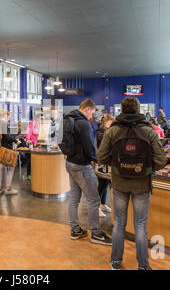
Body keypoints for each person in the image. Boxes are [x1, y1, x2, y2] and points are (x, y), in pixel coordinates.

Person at [97, 97, 167, 270]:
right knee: (140, 225)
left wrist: (115, 164)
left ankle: (115, 261)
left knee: (119, 223)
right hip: (142, 183)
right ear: (138, 110)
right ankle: (143, 265)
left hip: (119, 183)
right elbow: (161, 159)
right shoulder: (149, 130)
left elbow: (101, 157)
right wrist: (147, 167)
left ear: (121, 110)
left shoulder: (112, 131)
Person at [63, 99, 112, 245]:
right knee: (93, 200)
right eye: (92, 113)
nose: (92, 117)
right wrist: (97, 159)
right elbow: (90, 146)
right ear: (88, 109)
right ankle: (96, 233)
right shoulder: (83, 123)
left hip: (70, 162)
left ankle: (75, 230)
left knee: (74, 198)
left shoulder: (67, 119)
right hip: (82, 165)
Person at [95, 115, 115, 218]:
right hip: (102, 162)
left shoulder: (111, 131)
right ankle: (96, 207)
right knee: (101, 184)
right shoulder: (100, 132)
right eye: (110, 122)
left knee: (106, 184)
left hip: (110, 162)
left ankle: (102, 204)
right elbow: (102, 143)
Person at [0, 109, 18, 195]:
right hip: (6, 149)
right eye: (9, 117)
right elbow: (7, 137)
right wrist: (15, 140)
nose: (8, 119)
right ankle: (8, 189)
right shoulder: (3, 123)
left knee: (0, 168)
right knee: (11, 168)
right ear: (6, 116)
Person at [25, 110, 41, 179]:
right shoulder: (32, 123)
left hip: (38, 144)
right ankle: (29, 174)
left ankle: (35, 173)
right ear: (37, 117)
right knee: (30, 159)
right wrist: (28, 139)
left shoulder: (39, 124)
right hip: (31, 144)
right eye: (41, 117)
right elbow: (28, 132)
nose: (41, 119)